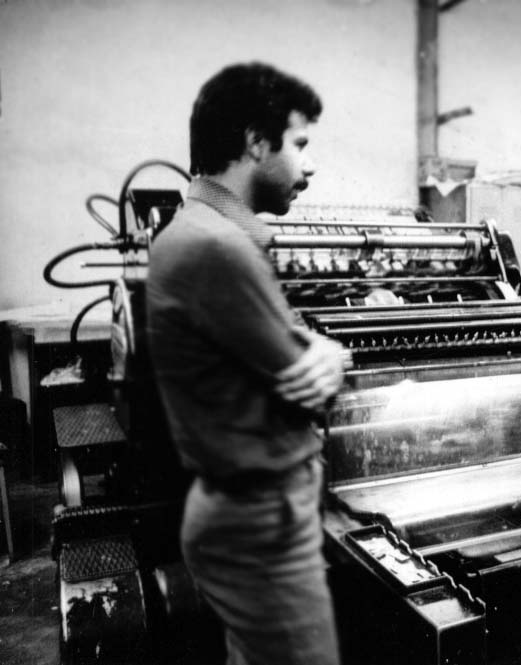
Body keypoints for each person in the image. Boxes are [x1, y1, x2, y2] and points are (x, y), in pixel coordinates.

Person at [146, 62, 349, 665]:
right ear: (257, 143)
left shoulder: (200, 231)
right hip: (262, 529)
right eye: (300, 145)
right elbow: (312, 386)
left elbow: (297, 358)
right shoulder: (217, 247)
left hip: (246, 517)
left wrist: (319, 351)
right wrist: (329, 352)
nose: (310, 164)